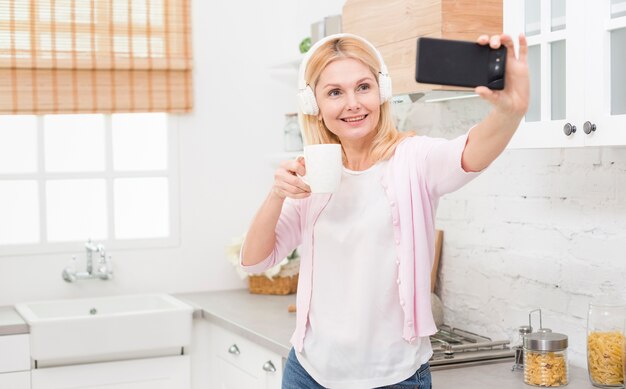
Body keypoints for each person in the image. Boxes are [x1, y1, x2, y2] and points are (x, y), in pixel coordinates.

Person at [240, 32, 529, 389]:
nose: (353, 103)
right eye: (334, 92)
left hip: (395, 377)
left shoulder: (413, 159)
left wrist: (509, 113)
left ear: (382, 91)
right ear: (312, 104)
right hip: (308, 373)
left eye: (363, 87)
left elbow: (470, 152)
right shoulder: (311, 173)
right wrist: (276, 195)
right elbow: (254, 261)